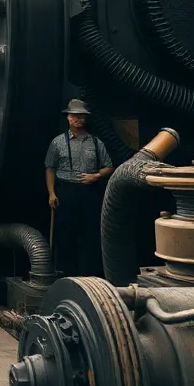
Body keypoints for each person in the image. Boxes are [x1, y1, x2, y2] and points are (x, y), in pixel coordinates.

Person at [44, 98, 113, 277]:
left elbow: (109, 166)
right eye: (74, 115)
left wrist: (96, 176)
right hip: (66, 192)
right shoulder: (58, 142)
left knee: (91, 235)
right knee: (66, 235)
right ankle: (66, 275)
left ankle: (90, 275)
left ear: (86, 118)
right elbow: (50, 168)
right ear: (68, 117)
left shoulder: (96, 143)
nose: (77, 119)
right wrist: (51, 193)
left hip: (90, 193)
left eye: (81, 115)